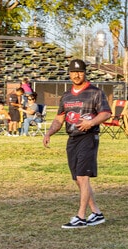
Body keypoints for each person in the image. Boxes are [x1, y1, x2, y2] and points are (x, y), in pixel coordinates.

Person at [43, 59, 112, 229]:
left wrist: (91, 122)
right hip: (72, 139)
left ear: (85, 73)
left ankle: (81, 216)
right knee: (78, 179)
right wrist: (50, 132)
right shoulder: (66, 96)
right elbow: (60, 118)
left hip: (88, 137)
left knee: (83, 176)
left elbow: (106, 113)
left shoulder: (95, 92)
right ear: (69, 74)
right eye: (73, 72)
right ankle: (96, 213)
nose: (76, 75)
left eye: (80, 71)